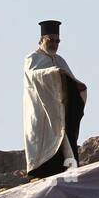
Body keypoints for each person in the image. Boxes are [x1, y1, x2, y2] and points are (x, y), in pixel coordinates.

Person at [23, 20, 87, 179]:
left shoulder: (60, 60)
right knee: (44, 144)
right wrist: (54, 73)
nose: (54, 44)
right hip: (42, 112)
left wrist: (78, 86)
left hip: (60, 112)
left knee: (66, 143)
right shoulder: (32, 58)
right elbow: (34, 75)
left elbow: (70, 79)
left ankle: (68, 176)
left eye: (57, 41)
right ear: (41, 40)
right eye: (50, 40)